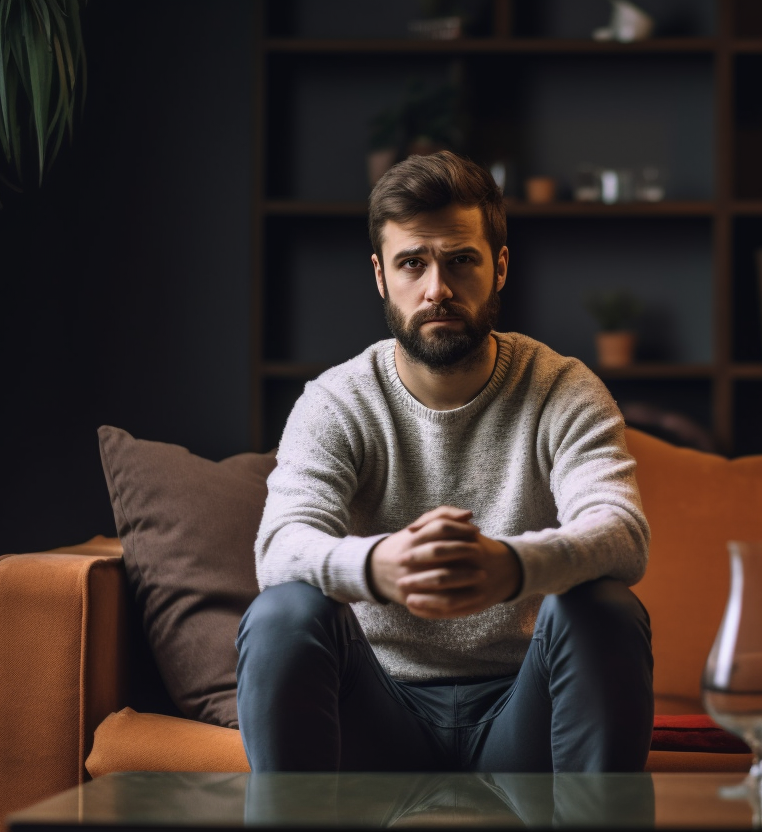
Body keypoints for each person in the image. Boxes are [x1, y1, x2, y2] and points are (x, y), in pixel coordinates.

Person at [237, 151, 653, 773]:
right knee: (283, 612)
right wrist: (381, 564)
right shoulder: (337, 400)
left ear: (501, 265)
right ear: (381, 276)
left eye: (461, 260)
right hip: (376, 715)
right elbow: (279, 548)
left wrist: (512, 567)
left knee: (603, 607)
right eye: (413, 263)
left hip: (522, 714)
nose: (438, 289)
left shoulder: (563, 388)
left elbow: (622, 533)